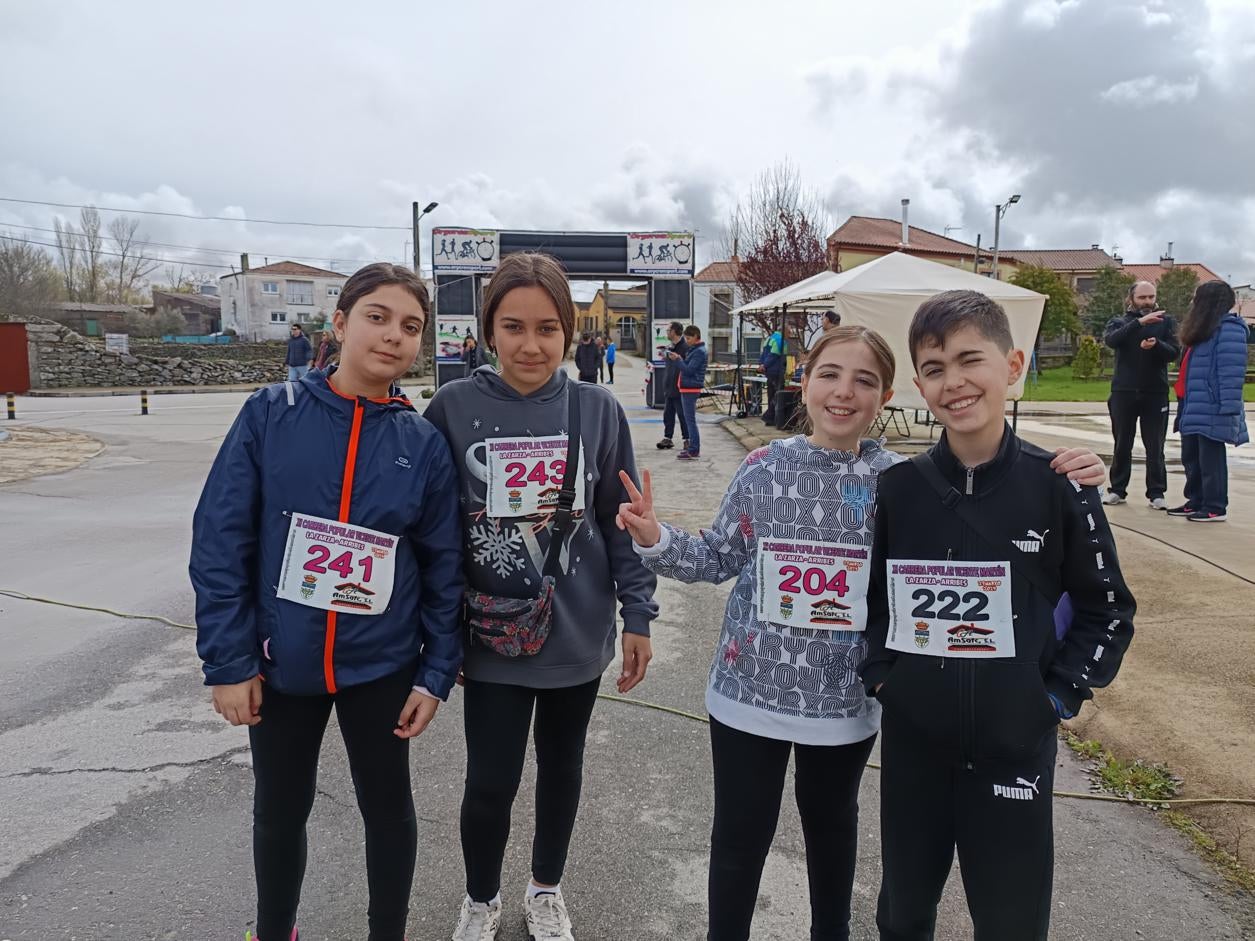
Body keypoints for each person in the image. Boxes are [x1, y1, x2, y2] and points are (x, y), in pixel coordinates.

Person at [617, 325, 1108, 941]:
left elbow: (980, 514)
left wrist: (1071, 471)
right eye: (829, 374)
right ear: (804, 380)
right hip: (747, 696)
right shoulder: (764, 466)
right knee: (739, 841)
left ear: (887, 397)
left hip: (845, 704)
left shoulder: (904, 483)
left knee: (831, 840)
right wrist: (654, 538)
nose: (843, 392)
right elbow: (717, 556)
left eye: (864, 380)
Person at [190, 263, 465, 941]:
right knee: (279, 810)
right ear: (339, 324)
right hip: (280, 664)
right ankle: (274, 929)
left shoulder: (422, 443)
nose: (393, 335)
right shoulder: (269, 415)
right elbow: (220, 544)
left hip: (382, 666)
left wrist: (434, 674)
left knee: (389, 810)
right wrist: (228, 661)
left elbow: (443, 569)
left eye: (410, 326)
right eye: (376, 316)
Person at [862, 289, 1136, 941]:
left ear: (1011, 365)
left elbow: (1107, 611)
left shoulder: (1060, 483)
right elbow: (873, 603)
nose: (952, 381)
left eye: (968, 359)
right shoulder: (897, 490)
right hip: (914, 747)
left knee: (1011, 920)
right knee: (901, 915)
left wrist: (1051, 698)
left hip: (1014, 747)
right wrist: (883, 680)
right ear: (918, 385)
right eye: (932, 367)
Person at [423, 252, 658, 941]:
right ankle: (480, 897)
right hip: (489, 640)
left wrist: (637, 613)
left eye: (548, 328)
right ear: (487, 330)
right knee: (489, 781)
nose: (531, 344)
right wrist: (438, 638)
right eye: (513, 326)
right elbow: (430, 538)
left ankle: (546, 888)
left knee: (562, 768)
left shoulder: (597, 408)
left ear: (568, 332)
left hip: (576, 635)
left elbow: (623, 523)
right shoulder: (451, 408)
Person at [1169, 280, 1249, 522]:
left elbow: (1231, 372)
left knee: (1210, 457)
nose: (1192, 302)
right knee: (1191, 455)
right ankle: (1196, 500)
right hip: (1192, 402)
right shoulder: (1203, 330)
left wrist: (1229, 408)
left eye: (1197, 298)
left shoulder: (1229, 330)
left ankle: (1215, 506)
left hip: (1213, 405)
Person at [1102, 281, 1181, 509]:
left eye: (1151, 297)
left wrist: (1156, 345)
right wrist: (1139, 323)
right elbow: (1111, 340)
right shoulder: (1119, 322)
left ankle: (1156, 492)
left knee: (1155, 445)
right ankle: (1117, 489)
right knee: (1122, 443)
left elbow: (1174, 353)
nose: (1147, 302)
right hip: (1123, 392)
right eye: (1142, 297)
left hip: (1155, 392)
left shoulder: (1167, 323)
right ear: (1131, 299)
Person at [656, 321, 690, 451]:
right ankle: (667, 438)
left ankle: (687, 439)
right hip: (669, 386)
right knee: (668, 414)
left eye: (668, 330)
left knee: (683, 415)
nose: (666, 333)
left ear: (674, 331)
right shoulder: (670, 347)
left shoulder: (685, 348)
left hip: (680, 387)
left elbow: (688, 367)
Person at [676, 324, 708, 461]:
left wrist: (678, 360)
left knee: (690, 421)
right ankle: (693, 448)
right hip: (688, 387)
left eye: (688, 338)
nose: (687, 341)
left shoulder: (699, 351)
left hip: (690, 388)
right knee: (689, 420)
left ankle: (694, 449)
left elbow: (689, 370)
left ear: (696, 336)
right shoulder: (695, 350)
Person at [759, 326, 786, 425]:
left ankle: (770, 419)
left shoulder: (769, 338)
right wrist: (765, 365)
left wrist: (762, 365)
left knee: (771, 394)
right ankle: (769, 417)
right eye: (789, 330)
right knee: (777, 395)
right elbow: (773, 356)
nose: (790, 332)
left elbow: (763, 354)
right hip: (776, 371)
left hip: (769, 371)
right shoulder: (780, 340)